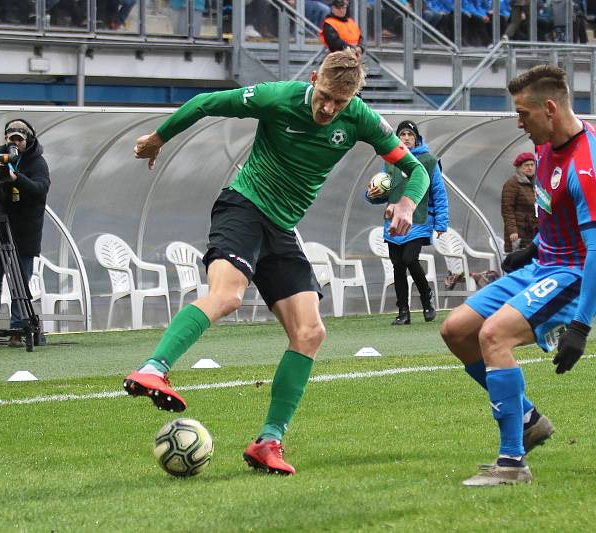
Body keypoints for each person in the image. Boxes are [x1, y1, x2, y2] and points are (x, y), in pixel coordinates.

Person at [123, 50, 429, 476]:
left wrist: (407, 203)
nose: (328, 108)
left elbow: (417, 170)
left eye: (339, 103)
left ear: (353, 96)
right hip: (244, 207)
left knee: (310, 331)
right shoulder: (276, 97)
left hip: (282, 229)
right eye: (324, 96)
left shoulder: (360, 118)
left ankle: (268, 441)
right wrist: (160, 137)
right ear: (314, 77)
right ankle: (153, 369)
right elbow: (204, 103)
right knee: (228, 295)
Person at [440, 65, 596, 486]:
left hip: (577, 274)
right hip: (545, 264)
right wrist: (534, 248)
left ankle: (512, 463)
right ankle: (528, 417)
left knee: (493, 336)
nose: (518, 123)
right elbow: (560, 214)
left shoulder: (587, 165)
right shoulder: (547, 143)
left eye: (524, 113)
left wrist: (581, 325)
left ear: (551, 108)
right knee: (457, 330)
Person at [365, 120, 449, 325]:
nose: (406, 138)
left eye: (410, 135)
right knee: (397, 266)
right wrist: (371, 195)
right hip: (392, 222)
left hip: (419, 220)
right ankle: (403, 311)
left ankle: (426, 299)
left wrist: (441, 223)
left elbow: (439, 193)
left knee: (410, 259)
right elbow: (383, 193)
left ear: (417, 138)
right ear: (398, 138)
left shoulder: (429, 161)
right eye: (402, 135)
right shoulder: (390, 161)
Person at [0, 119, 50, 348]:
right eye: (12, 139)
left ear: (27, 139)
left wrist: (15, 179)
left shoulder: (37, 162)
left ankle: (18, 330)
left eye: (20, 139)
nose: (15, 143)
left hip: (25, 232)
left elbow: (40, 190)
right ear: (5, 138)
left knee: (20, 280)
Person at [500, 152, 536, 253]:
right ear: (519, 167)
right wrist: (512, 231)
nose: (530, 168)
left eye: (532, 165)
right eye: (526, 165)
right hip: (518, 234)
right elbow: (507, 210)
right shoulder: (512, 184)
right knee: (518, 261)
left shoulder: (534, 183)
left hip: (531, 232)